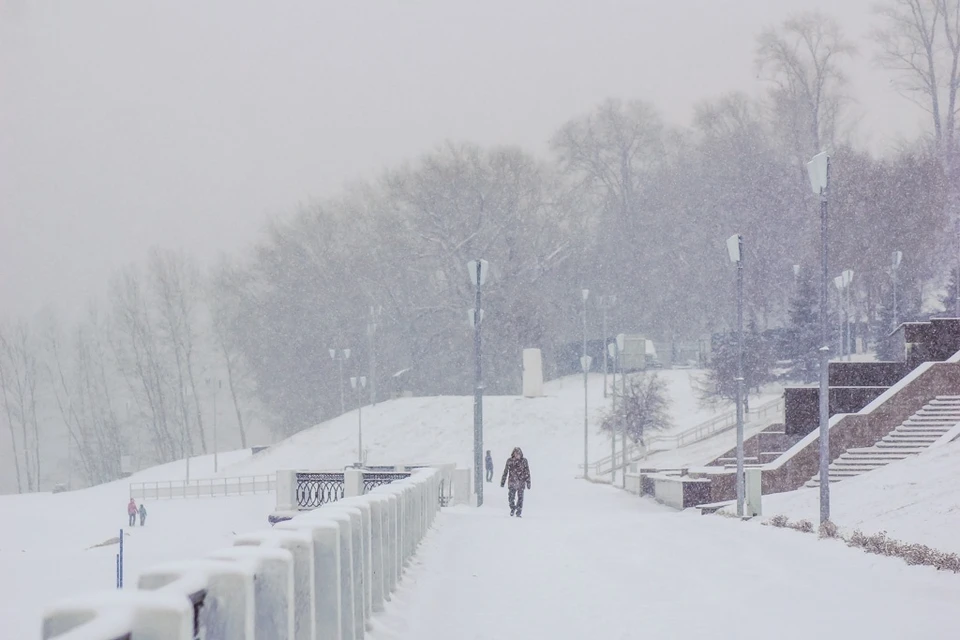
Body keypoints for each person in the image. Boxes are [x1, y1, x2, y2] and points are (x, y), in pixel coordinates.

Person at [500, 447, 531, 517]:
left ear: (521, 454)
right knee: (511, 497)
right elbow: (505, 472)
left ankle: (518, 512)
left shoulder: (524, 461)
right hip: (512, 482)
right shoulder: (509, 461)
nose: (517, 455)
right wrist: (503, 481)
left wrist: (528, 482)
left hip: (521, 482)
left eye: (518, 454)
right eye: (516, 453)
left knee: (520, 498)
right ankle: (513, 508)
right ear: (513, 454)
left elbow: (527, 472)